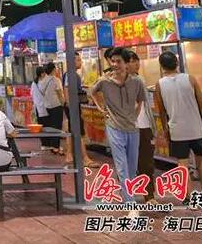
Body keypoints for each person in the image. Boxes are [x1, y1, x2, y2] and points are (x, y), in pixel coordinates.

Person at [89, 47, 146, 205]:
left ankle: (127, 192)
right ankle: (130, 202)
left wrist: (134, 115)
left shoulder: (137, 82)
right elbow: (92, 92)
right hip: (113, 126)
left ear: (126, 63)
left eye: (118, 61)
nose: (114, 64)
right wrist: (100, 108)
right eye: (112, 61)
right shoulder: (104, 81)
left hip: (132, 128)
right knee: (121, 165)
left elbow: (141, 100)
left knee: (132, 166)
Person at [153, 51, 202, 200]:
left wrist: (165, 129)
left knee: (182, 164)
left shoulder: (160, 84)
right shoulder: (190, 79)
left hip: (177, 130)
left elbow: (161, 111)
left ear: (161, 66)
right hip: (196, 128)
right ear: (177, 63)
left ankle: (189, 197)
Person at [127, 51, 157, 202]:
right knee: (128, 163)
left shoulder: (140, 79)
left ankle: (149, 195)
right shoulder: (119, 81)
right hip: (127, 127)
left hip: (144, 126)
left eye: (136, 60)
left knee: (146, 162)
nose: (136, 64)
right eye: (132, 61)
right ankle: (128, 194)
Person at [63, 52, 98, 167]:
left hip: (72, 106)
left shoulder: (71, 74)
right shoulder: (71, 74)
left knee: (72, 130)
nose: (80, 62)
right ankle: (85, 158)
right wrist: (70, 105)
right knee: (79, 132)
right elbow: (66, 89)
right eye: (78, 60)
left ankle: (69, 154)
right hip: (73, 106)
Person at [31, 65, 64, 154]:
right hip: (53, 106)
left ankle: (46, 144)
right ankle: (55, 146)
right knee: (55, 126)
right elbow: (59, 94)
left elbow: (32, 95)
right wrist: (63, 103)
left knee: (44, 127)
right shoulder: (54, 80)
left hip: (41, 107)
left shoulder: (36, 83)